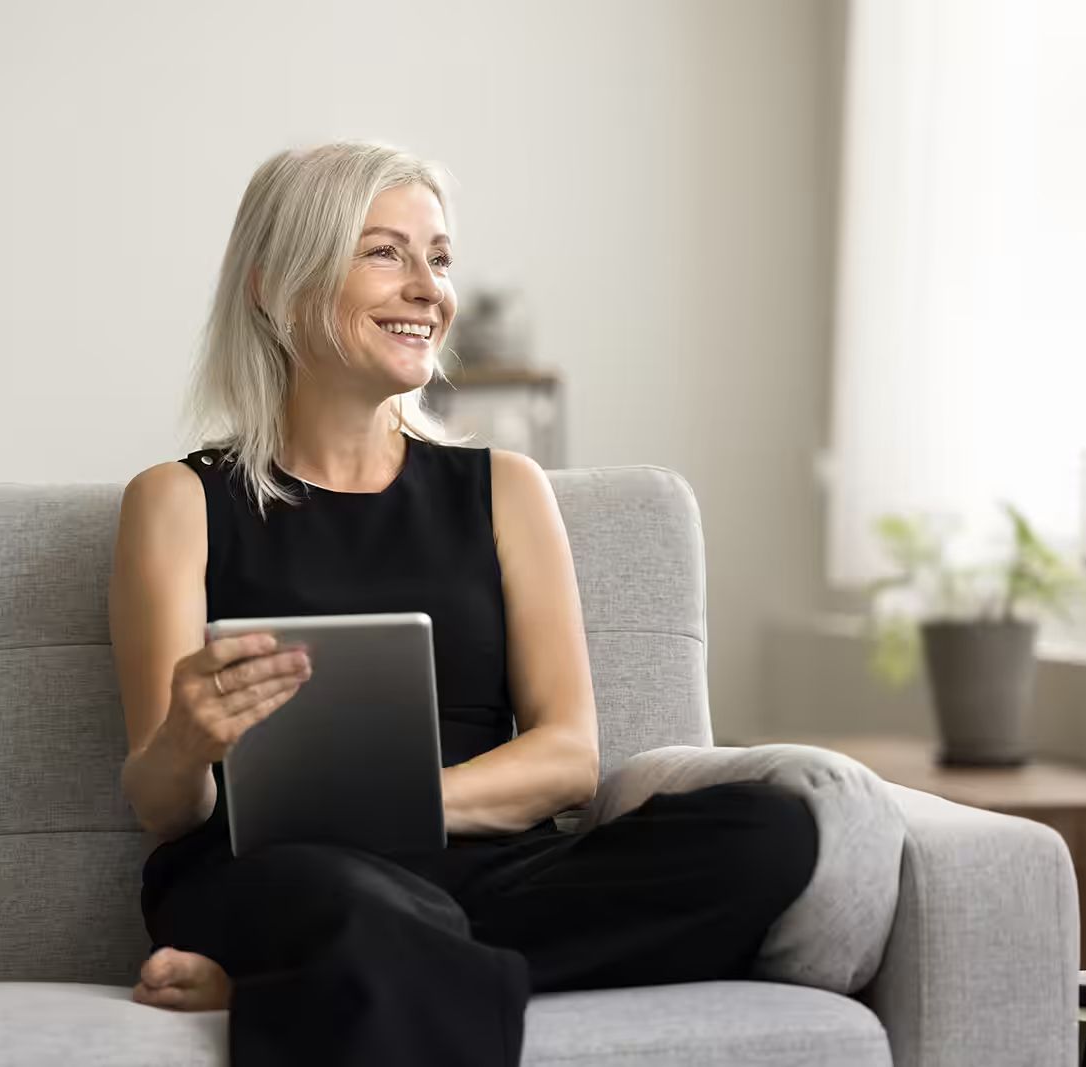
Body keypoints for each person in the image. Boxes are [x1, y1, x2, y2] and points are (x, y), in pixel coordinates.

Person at [108, 140, 819, 1067]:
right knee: (357, 904)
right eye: (384, 252)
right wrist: (188, 736)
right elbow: (164, 806)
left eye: (438, 257)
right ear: (273, 286)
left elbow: (568, 756)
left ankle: (291, 984)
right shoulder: (178, 500)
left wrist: (395, 809)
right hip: (276, 869)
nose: (427, 289)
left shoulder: (507, 490)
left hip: (480, 863)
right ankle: (345, 957)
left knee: (770, 832)